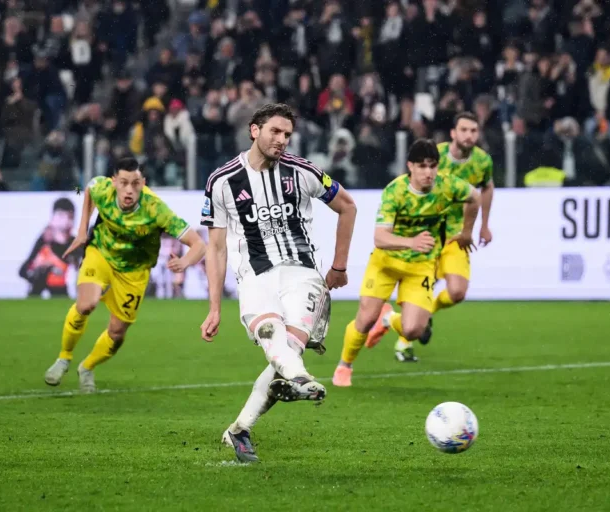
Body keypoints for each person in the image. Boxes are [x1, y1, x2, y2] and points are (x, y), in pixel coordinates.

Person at [200, 103, 357, 463]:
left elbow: (348, 206)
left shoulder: (303, 172)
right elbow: (217, 248)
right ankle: (301, 380)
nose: (282, 140)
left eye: (287, 134)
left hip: (303, 275)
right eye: (275, 131)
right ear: (254, 130)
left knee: (284, 354)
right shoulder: (222, 181)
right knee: (273, 337)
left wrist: (339, 265)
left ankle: (240, 429)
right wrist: (213, 307)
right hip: (256, 275)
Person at [43, 157, 206, 393]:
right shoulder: (101, 188)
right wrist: (81, 231)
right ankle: (64, 357)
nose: (129, 190)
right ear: (114, 182)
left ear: (143, 183)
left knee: (117, 333)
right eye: (124, 183)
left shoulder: (155, 209)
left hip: (134, 271)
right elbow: (88, 189)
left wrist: (185, 262)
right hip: (101, 253)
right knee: (86, 304)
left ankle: (87, 367)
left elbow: (199, 244)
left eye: (136, 183)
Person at [332, 138, 480, 386]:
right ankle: (344, 365)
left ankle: (388, 319)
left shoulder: (447, 186)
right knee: (365, 319)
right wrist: (411, 242)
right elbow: (380, 237)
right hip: (385, 264)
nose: (428, 172)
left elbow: (474, 197)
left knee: (413, 330)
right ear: (410, 166)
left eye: (432, 166)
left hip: (420, 267)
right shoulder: (395, 191)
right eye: (422, 166)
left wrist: (467, 232)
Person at [415, 112, 494, 350]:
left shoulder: (483, 161)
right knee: (418, 292)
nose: (469, 135)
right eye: (464, 130)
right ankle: (403, 339)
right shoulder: (435, 156)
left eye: (473, 131)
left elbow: (486, 188)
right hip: (429, 232)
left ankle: (424, 314)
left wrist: (484, 224)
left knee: (457, 292)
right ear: (453, 133)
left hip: (458, 234)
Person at [19, 198, 79, 297]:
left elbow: (79, 265)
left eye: (70, 217)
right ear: (53, 218)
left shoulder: (74, 242)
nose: (65, 222)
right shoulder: (44, 240)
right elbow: (23, 271)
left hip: (60, 289)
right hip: (38, 287)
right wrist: (37, 272)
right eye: (61, 216)